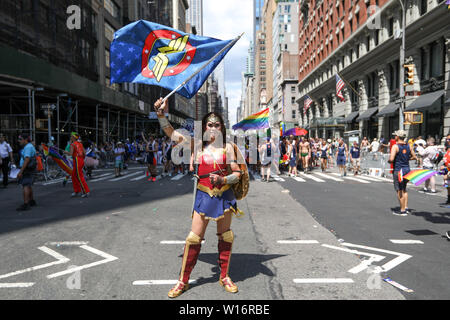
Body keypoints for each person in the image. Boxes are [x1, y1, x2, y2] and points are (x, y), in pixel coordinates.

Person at [154, 97, 246, 298]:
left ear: (221, 127)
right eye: (209, 124)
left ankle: (224, 276)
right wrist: (161, 114)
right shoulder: (197, 145)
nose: (212, 127)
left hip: (224, 197)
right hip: (203, 196)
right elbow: (172, 134)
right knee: (193, 238)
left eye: (216, 124)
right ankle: (183, 281)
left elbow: (237, 173)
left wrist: (224, 180)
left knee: (226, 236)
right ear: (204, 127)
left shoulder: (227, 147)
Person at [389, 130, 417, 216]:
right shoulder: (409, 146)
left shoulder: (395, 146)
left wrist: (389, 161)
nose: (394, 137)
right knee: (404, 188)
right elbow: (414, 157)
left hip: (399, 170)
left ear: (398, 137)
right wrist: (406, 159)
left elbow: (391, 159)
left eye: (395, 136)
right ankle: (406, 207)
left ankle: (402, 210)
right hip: (407, 169)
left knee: (399, 190)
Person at [64, 132, 90, 198]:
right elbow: (84, 153)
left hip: (77, 160)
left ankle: (86, 191)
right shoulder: (80, 144)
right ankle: (77, 190)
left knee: (79, 176)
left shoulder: (72, 145)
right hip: (80, 160)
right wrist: (82, 158)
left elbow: (70, 154)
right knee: (74, 175)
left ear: (74, 138)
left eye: (71, 136)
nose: (70, 137)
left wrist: (65, 152)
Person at [16, 133, 37, 211]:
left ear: (25, 140)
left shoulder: (28, 147)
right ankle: (31, 201)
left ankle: (26, 204)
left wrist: (21, 171)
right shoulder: (29, 146)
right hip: (29, 169)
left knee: (25, 185)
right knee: (28, 185)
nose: (19, 141)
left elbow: (27, 159)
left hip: (27, 169)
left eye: (20, 139)